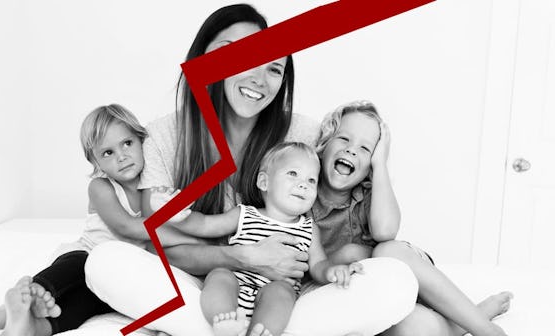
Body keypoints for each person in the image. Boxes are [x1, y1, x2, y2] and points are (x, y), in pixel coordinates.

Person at [85, 4, 418, 336]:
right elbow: (161, 244)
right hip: (204, 286)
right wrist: (243, 256)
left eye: (274, 70)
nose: (258, 79)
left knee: (397, 285)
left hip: (283, 293)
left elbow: (337, 217)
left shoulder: (303, 137)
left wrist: (337, 265)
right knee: (105, 263)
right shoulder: (164, 136)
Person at [0, 104, 194, 336]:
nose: (122, 156)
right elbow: (126, 227)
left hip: (113, 276)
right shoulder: (101, 187)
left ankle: (33, 328)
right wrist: (190, 236)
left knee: (87, 305)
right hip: (86, 254)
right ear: (95, 162)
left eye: (127, 143)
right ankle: (31, 294)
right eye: (108, 153)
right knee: (74, 268)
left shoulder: (157, 186)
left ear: (142, 141)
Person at [311, 100, 513, 336]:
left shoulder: (368, 193)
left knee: (385, 250)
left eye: (366, 149)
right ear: (324, 145)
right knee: (421, 327)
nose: (352, 149)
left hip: (406, 270)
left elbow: (385, 232)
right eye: (344, 139)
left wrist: (380, 166)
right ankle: (468, 319)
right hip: (366, 291)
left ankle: (484, 327)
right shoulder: (301, 194)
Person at [153, 142, 363, 336]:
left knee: (282, 290)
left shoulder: (309, 228)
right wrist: (176, 214)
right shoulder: (244, 214)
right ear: (264, 182)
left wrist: (332, 271)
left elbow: (318, 264)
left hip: (274, 296)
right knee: (219, 275)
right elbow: (206, 225)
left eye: (311, 180)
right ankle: (223, 321)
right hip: (235, 285)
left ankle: (261, 331)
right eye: (293, 174)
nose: (303, 185)